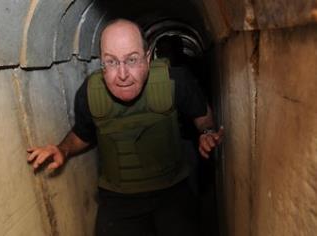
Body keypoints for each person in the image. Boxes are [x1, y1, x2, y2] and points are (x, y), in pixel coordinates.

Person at [27, 19, 223, 236]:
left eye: (132, 60)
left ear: (148, 59)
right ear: (101, 64)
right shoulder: (90, 94)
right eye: (111, 62)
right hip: (118, 200)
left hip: (172, 191)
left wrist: (206, 133)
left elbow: (202, 116)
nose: (122, 75)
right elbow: (83, 134)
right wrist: (62, 149)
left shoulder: (175, 81)